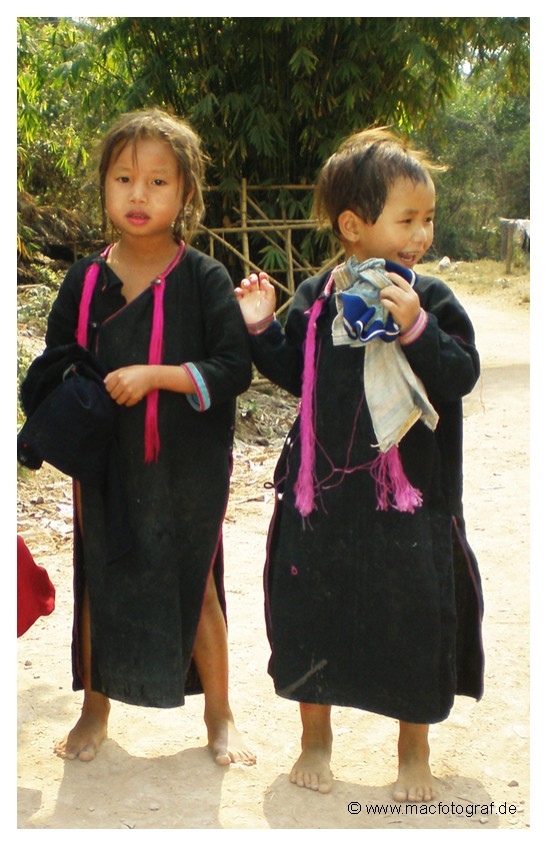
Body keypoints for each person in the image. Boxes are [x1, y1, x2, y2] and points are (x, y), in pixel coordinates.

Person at [235, 128, 483, 800]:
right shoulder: (318, 297)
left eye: (426, 219)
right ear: (353, 225)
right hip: (324, 501)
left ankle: (413, 752)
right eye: (406, 219)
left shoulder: (428, 300)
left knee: (410, 618)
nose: (420, 234)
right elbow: (296, 373)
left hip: (409, 503)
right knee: (311, 614)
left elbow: (459, 376)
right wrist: (260, 327)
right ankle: (315, 739)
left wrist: (415, 332)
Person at [39, 108, 255, 765]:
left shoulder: (204, 278)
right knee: (98, 582)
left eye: (158, 182)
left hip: (184, 465)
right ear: (103, 186)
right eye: (124, 178)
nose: (139, 194)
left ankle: (220, 717)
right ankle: (94, 710)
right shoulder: (82, 280)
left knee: (197, 586)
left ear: (186, 194)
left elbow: (232, 368)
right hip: (105, 465)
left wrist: (157, 376)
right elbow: (54, 363)